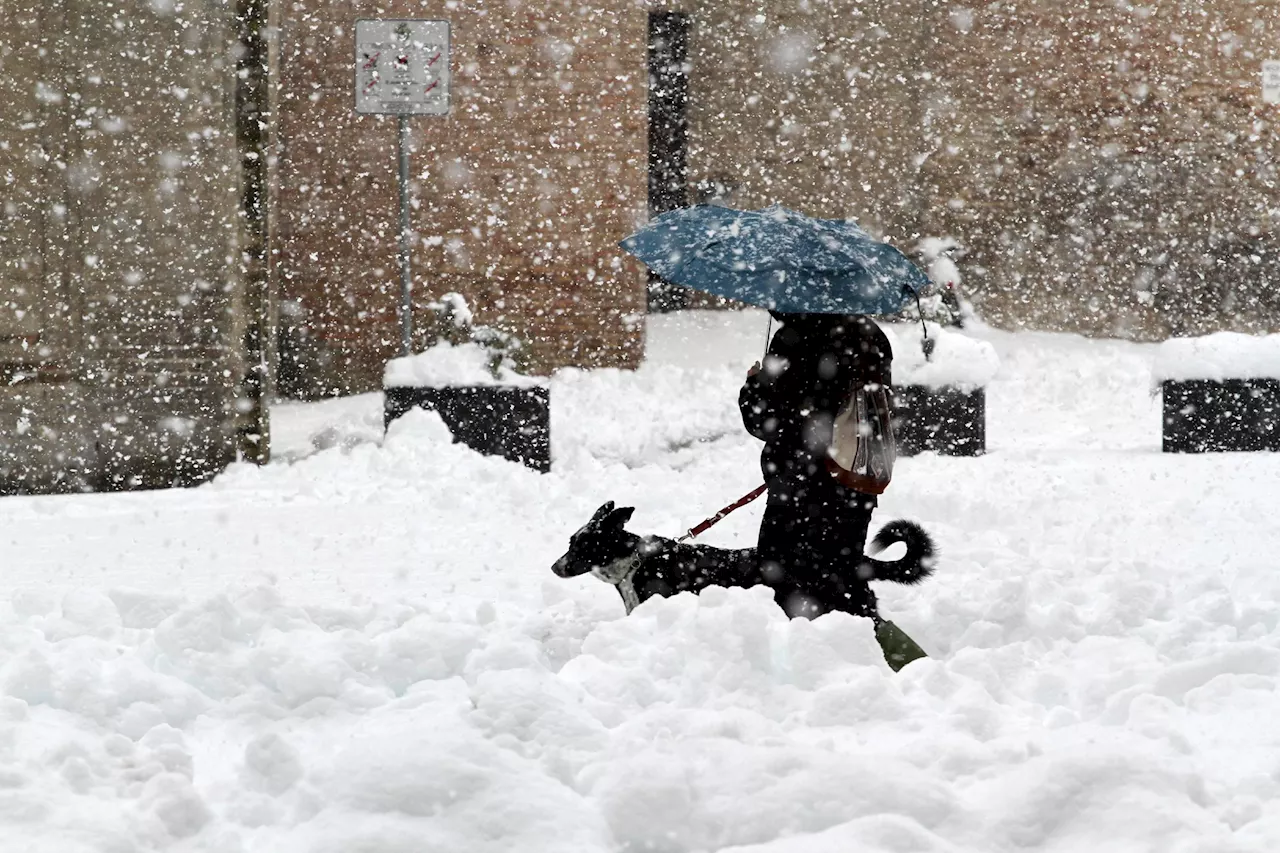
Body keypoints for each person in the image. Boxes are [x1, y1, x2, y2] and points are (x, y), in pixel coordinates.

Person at [738, 310, 893, 619]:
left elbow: (768, 423)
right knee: (842, 578)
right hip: (852, 476)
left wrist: (753, 388)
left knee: (782, 584)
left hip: (798, 486)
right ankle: (862, 644)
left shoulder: (792, 338)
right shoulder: (871, 335)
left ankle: (796, 654)